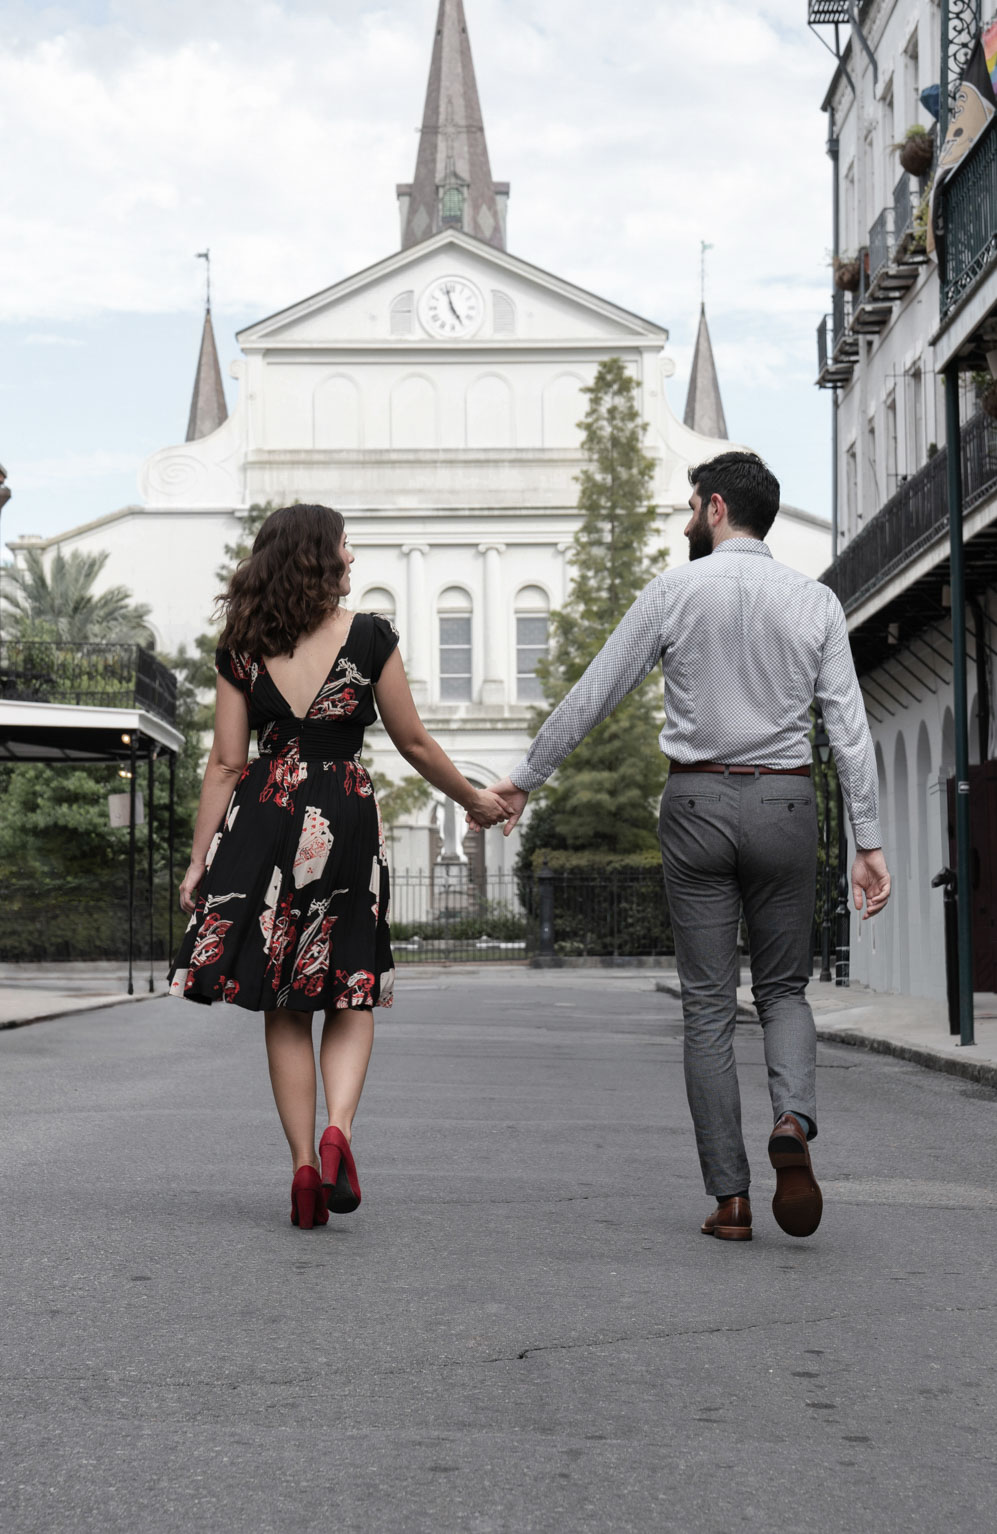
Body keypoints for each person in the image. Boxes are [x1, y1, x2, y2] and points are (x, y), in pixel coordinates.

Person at [488, 452, 890, 1242]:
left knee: (707, 1006)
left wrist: (526, 776)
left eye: (687, 508)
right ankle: (793, 1122)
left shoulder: (674, 590)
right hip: (784, 799)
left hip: (697, 799)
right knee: (783, 992)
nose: (684, 521)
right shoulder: (814, 601)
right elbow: (848, 728)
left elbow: (597, 688)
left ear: (712, 508)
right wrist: (866, 841)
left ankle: (731, 1200)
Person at [168, 504, 510, 1229]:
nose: (352, 557)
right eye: (345, 545)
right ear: (320, 555)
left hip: (266, 808)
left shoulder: (242, 644)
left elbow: (227, 761)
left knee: (285, 998)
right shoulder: (368, 636)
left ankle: (300, 1171)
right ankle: (337, 1137)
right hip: (343, 808)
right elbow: (412, 741)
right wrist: (474, 801)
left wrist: (200, 858)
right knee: (348, 981)